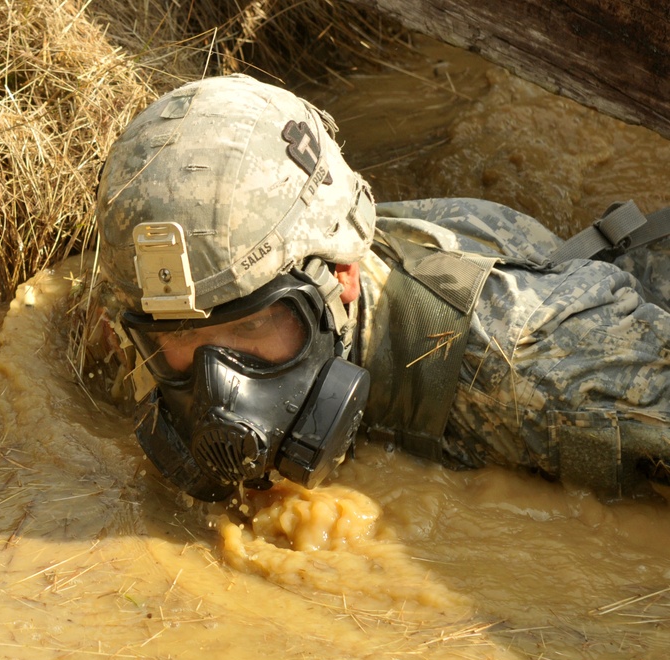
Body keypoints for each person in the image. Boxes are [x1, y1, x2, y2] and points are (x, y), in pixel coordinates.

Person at [93, 74, 670, 504]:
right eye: (185, 338)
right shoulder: (157, 295)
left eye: (249, 326)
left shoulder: (534, 370)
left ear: (341, 273)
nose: (218, 384)